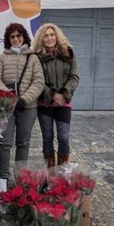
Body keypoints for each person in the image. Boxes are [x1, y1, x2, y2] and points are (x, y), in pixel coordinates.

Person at [0, 23, 45, 184]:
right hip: (7, 106)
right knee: (4, 142)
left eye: (18, 36)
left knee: (23, 143)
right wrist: (10, 97)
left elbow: (39, 81)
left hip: (27, 108)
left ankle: (20, 178)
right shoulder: (2, 57)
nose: (16, 39)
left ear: (24, 37)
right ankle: (4, 178)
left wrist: (25, 99)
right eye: (12, 36)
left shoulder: (33, 58)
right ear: (8, 39)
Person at [32, 23, 79, 167]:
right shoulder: (36, 57)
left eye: (52, 34)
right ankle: (50, 172)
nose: (49, 38)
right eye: (46, 35)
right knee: (47, 138)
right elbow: (36, 79)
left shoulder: (68, 53)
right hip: (45, 104)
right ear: (41, 38)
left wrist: (64, 94)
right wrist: (52, 95)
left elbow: (74, 76)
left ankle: (63, 172)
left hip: (64, 104)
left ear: (57, 36)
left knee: (63, 138)